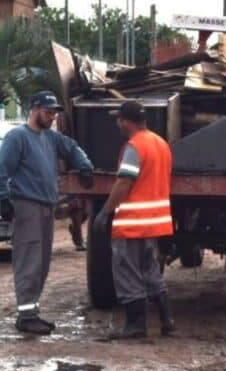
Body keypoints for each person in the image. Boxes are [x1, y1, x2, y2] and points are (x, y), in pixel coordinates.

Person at [0, 91, 94, 335]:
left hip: (46, 206)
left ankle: (31, 312)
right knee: (29, 260)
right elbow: (2, 169)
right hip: (27, 206)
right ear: (34, 109)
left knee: (41, 262)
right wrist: (3, 199)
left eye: (54, 112)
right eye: (48, 111)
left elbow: (71, 147)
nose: (52, 116)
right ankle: (26, 316)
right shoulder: (17, 137)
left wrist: (84, 165)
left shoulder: (50, 138)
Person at [93, 100, 174, 339]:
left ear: (126, 121)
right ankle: (166, 319)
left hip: (132, 222)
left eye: (119, 119)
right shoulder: (161, 144)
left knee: (127, 272)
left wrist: (106, 211)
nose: (117, 123)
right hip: (154, 222)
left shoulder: (134, 147)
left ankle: (136, 324)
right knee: (150, 271)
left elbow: (124, 181)